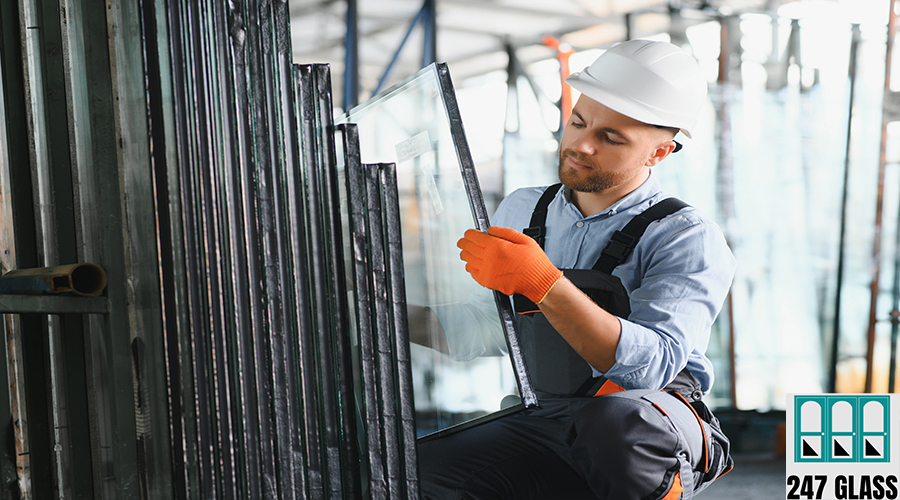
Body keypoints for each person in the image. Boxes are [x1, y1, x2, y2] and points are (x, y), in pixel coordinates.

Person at [415, 39, 736, 499]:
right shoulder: (524, 208)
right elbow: (489, 326)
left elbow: (651, 369)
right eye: (578, 122)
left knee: (614, 425)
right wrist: (385, 314)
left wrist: (542, 282)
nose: (580, 144)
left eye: (610, 137)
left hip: (653, 423)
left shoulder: (685, 235)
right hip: (545, 417)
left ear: (659, 153)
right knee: (423, 467)